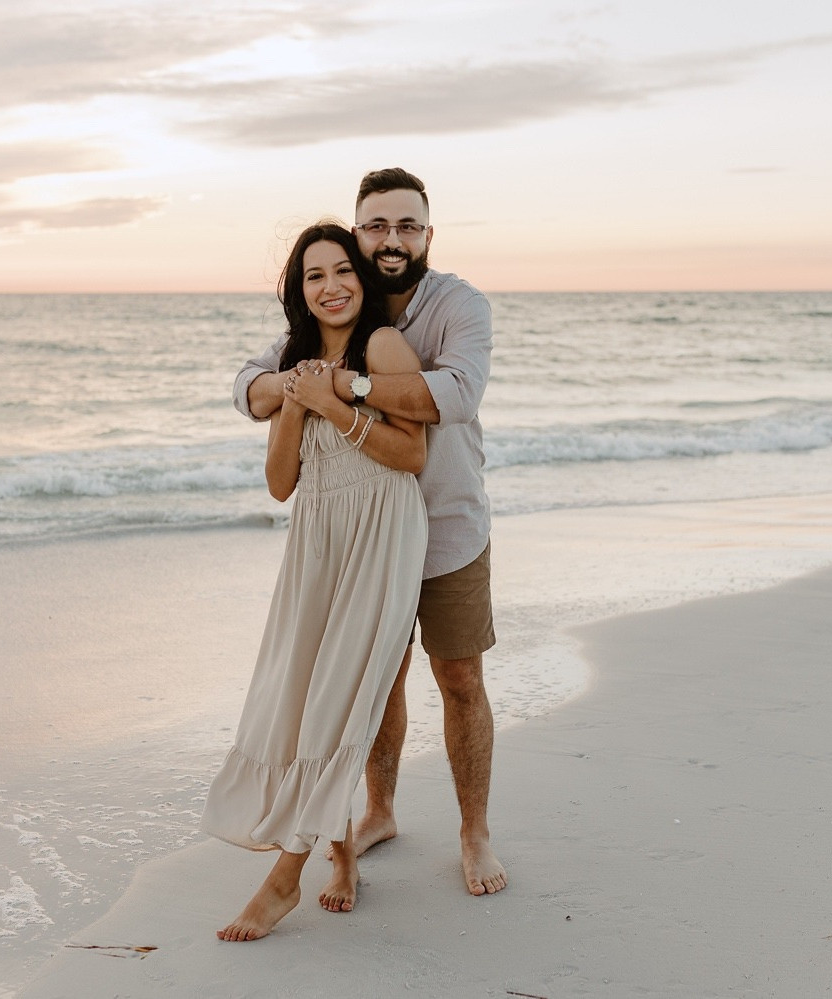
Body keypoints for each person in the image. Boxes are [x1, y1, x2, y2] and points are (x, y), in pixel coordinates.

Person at [232, 168, 507, 897]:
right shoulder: (337, 297)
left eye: (406, 226)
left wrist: (342, 387)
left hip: (444, 522)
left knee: (457, 676)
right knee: (372, 682)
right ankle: (378, 811)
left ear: (427, 234)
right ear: (358, 233)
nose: (391, 240)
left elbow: (453, 394)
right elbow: (252, 383)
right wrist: (291, 386)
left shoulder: (456, 305)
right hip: (358, 536)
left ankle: (473, 831)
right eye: (377, 226)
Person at [202, 221, 429, 941]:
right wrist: (295, 401)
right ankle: (341, 858)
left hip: (383, 530)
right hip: (317, 536)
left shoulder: (382, 347)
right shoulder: (293, 363)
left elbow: (413, 453)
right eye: (313, 275)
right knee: (303, 693)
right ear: (297, 290)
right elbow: (278, 484)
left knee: (343, 695)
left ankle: (281, 881)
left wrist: (334, 403)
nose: (330, 286)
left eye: (341, 271)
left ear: (362, 280)